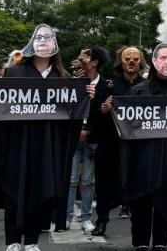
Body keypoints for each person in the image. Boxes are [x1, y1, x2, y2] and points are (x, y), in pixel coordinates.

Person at [0, 24, 94, 251]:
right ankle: (13, 240)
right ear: (32, 42)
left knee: (42, 190)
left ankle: (33, 241)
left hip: (49, 144)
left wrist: (86, 97)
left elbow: (73, 115)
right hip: (18, 141)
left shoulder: (63, 77)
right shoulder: (15, 72)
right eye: (39, 37)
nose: (44, 42)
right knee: (15, 190)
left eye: (49, 38)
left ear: (55, 45)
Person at [120, 43, 167, 251]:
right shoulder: (138, 91)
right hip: (143, 157)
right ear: (154, 61)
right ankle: (141, 243)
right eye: (163, 58)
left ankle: (161, 243)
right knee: (142, 201)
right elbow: (126, 126)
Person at [91, 46, 142, 236]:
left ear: (140, 63)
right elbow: (94, 113)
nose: (131, 62)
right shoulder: (108, 86)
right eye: (127, 58)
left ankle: (138, 225)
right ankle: (102, 221)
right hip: (111, 144)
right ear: (120, 61)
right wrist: (104, 109)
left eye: (135, 59)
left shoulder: (147, 87)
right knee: (104, 185)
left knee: (138, 185)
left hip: (137, 146)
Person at [67, 46, 110, 233]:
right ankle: (66, 216)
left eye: (84, 56)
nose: (79, 59)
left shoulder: (106, 87)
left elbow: (104, 116)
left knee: (88, 181)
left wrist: (89, 132)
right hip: (74, 138)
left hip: (93, 140)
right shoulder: (71, 84)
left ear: (94, 62)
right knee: (70, 179)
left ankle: (86, 217)